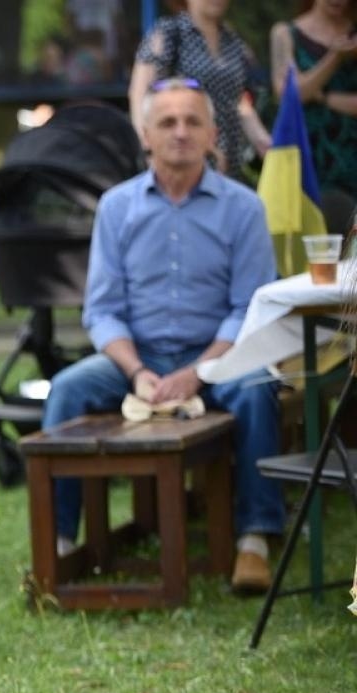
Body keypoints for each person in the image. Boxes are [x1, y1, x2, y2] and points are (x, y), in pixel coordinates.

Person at [43, 80, 283, 592]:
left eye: (193, 121)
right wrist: (138, 372)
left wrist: (198, 372)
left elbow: (250, 308)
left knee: (259, 389)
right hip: (140, 356)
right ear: (145, 135)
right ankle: (60, 544)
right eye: (168, 122)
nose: (180, 132)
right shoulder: (117, 206)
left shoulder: (243, 208)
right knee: (68, 388)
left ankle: (255, 541)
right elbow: (103, 310)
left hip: (219, 356)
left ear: (214, 134)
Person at [129, 0, 271, 179]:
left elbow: (238, 100)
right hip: (181, 158)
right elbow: (139, 92)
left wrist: (262, 140)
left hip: (228, 163)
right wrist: (148, 147)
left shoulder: (233, 41)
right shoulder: (170, 32)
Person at [270, 0, 357, 233]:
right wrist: (335, 58)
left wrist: (323, 97)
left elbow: (304, 89)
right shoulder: (286, 33)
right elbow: (289, 93)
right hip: (306, 160)